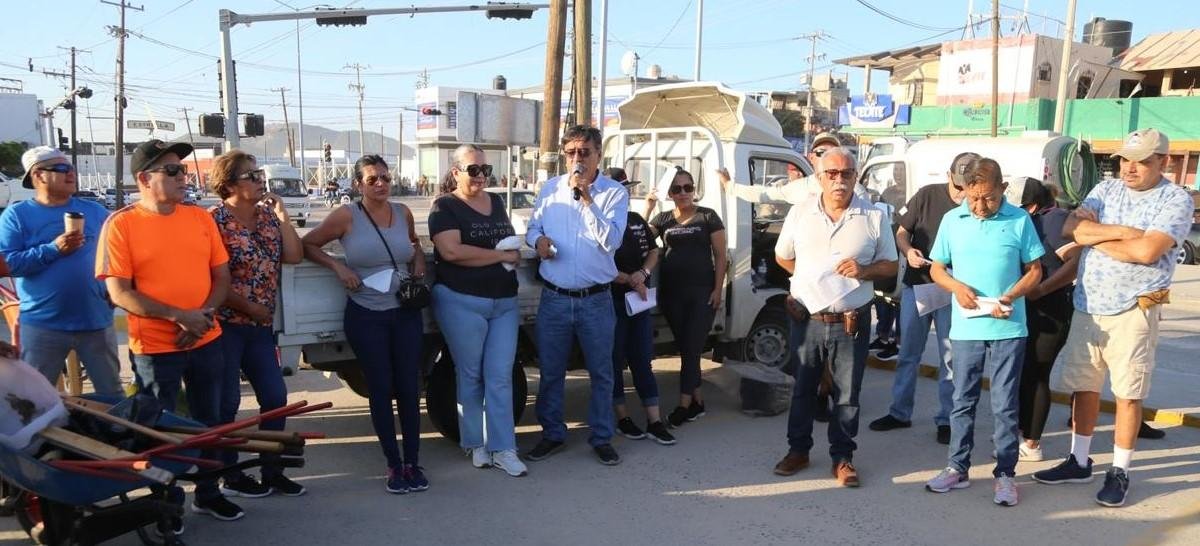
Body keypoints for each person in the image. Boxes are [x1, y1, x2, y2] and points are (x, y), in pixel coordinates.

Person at [1033, 128, 1193, 508]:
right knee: (1083, 387)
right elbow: (1071, 228)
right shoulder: (1106, 189)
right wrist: (1123, 233)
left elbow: (1147, 252)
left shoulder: (1175, 199)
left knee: (1128, 394)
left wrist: (1097, 237)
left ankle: (1119, 471)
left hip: (1134, 308)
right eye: (1125, 160)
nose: (1129, 168)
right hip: (1089, 304)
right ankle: (1079, 460)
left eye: (1141, 161)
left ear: (1163, 161)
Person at [96, 139, 242, 522]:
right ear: (144, 179)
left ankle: (208, 493)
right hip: (155, 350)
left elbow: (221, 276)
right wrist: (179, 317)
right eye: (173, 170)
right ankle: (166, 503)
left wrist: (201, 318)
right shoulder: (121, 225)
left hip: (206, 338)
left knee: (210, 422)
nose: (183, 177)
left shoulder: (200, 219)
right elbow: (120, 292)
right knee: (158, 430)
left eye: (184, 169)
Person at [770, 148, 898, 487]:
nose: (839, 180)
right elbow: (782, 257)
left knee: (847, 394)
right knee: (803, 389)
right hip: (807, 319)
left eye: (846, 173)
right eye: (832, 173)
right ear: (819, 177)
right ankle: (798, 451)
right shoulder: (800, 213)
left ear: (856, 177)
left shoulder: (873, 217)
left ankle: (842, 458)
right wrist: (810, 282)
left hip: (850, 321)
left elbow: (891, 266)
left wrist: (865, 270)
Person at [301, 154, 429, 494]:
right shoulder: (347, 215)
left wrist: (418, 260)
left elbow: (414, 244)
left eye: (385, 177)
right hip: (366, 314)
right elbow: (308, 244)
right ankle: (393, 464)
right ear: (358, 184)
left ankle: (413, 463)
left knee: (409, 388)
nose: (381, 184)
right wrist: (339, 267)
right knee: (380, 388)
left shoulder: (403, 212)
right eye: (372, 179)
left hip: (404, 312)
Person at [923, 157, 1044, 507]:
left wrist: (1012, 295)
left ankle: (1005, 474)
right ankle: (957, 468)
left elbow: (1035, 270)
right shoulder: (952, 220)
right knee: (962, 400)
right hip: (966, 326)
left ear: (1003, 189)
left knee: (1005, 404)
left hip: (1008, 325)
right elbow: (937, 268)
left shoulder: (1019, 220)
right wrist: (956, 287)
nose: (979, 206)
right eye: (973, 197)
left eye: (988, 198)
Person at [523, 125, 628, 465]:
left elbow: (610, 241)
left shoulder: (613, 193)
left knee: (602, 372)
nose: (577, 159)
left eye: (584, 152)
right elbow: (533, 228)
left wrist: (587, 199)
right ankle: (552, 434)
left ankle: (602, 437)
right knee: (551, 371)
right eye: (571, 153)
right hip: (555, 298)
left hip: (596, 300)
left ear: (599, 154)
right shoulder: (550, 189)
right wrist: (538, 241)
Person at [207, 150, 306, 498]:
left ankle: (272, 470)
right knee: (227, 403)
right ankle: (230, 474)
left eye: (259, 174)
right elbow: (212, 280)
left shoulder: (267, 217)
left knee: (275, 397)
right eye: (251, 176)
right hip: (227, 325)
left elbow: (293, 256)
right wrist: (249, 307)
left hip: (260, 327)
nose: (260, 180)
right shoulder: (214, 221)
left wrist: (283, 217)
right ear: (229, 184)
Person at [429, 144, 527, 478]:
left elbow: (507, 239)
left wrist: (510, 252)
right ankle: (474, 443)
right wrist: (500, 256)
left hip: (504, 302)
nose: (481, 176)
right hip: (461, 301)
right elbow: (451, 252)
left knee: (500, 376)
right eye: (474, 170)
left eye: (486, 169)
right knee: (470, 375)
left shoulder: (495, 202)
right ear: (456, 171)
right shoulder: (444, 206)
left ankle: (504, 448)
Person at [869, 152, 978, 445]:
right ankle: (899, 412)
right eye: (958, 186)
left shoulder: (977, 204)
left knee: (950, 358)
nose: (962, 192)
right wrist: (909, 252)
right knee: (908, 353)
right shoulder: (927, 195)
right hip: (918, 287)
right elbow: (902, 232)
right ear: (948, 176)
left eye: (967, 186)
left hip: (952, 289)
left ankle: (946, 419)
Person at [0, 147, 120, 396]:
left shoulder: (96, 212)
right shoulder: (17, 216)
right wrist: (53, 249)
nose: (71, 174)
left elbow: (119, 254)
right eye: (62, 169)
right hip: (43, 325)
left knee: (111, 395)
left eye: (71, 168)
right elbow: (9, 264)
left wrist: (115, 287)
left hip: (95, 321)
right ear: (38, 175)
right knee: (35, 398)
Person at [643, 167, 727, 428]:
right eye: (677, 189)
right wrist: (648, 206)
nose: (683, 193)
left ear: (694, 189)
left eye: (687, 187)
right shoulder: (663, 219)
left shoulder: (708, 216)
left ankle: (683, 406)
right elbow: (641, 239)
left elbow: (721, 256)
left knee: (691, 349)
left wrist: (718, 289)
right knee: (686, 349)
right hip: (672, 294)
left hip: (702, 293)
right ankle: (697, 402)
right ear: (670, 193)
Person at [604, 167, 674, 445]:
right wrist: (628, 279)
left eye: (625, 189)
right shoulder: (598, 221)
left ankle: (655, 421)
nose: (623, 194)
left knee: (642, 360)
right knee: (614, 361)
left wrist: (643, 274)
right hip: (611, 301)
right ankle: (623, 418)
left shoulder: (635, 219)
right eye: (617, 189)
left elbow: (653, 251)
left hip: (638, 301)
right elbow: (595, 263)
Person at [1013, 178, 1080, 463]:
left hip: (1051, 309)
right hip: (1029, 309)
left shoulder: (1054, 221)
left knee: (1037, 373)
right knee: (1024, 372)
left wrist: (1041, 289)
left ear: (1032, 206)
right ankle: (1020, 431)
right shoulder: (1030, 222)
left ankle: (1032, 442)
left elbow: (1076, 261)